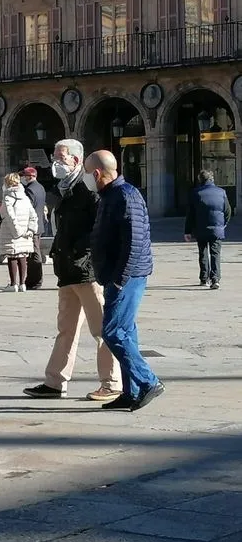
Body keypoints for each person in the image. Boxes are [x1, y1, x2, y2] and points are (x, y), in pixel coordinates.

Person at [23, 139, 122, 402]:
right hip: (67, 269)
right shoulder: (63, 188)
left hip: (87, 270)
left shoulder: (88, 189)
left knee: (102, 330)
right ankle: (55, 381)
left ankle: (112, 382)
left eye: (61, 158)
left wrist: (82, 252)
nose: (56, 163)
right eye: (55, 157)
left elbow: (99, 229)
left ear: (76, 161)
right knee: (66, 328)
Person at [86, 150, 164, 411]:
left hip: (127, 276)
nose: (87, 178)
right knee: (126, 331)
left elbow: (135, 241)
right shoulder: (110, 196)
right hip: (116, 275)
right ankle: (131, 392)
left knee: (113, 331)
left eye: (88, 173)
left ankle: (148, 381)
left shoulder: (125, 195)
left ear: (97, 174)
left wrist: (119, 279)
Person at [184, 169, 231, 290]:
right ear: (212, 179)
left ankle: (204, 278)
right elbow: (227, 211)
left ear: (200, 180)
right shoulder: (222, 192)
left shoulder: (196, 193)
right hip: (217, 229)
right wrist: (223, 224)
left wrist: (188, 231)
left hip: (201, 229)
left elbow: (190, 215)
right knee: (215, 253)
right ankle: (215, 279)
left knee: (203, 253)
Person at [0, 172, 37, 292]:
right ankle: (22, 284)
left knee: (12, 256)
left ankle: (13, 284)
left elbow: (9, 216)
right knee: (22, 256)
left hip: (12, 232)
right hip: (25, 233)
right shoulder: (24, 197)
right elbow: (33, 215)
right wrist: (30, 229)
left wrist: (17, 231)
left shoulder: (8, 197)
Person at [21, 167, 47, 289]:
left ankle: (35, 281)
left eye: (24, 176)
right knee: (35, 252)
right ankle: (34, 279)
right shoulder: (40, 187)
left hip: (33, 226)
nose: (23, 178)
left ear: (29, 177)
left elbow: (28, 209)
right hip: (39, 225)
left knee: (34, 254)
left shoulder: (29, 190)